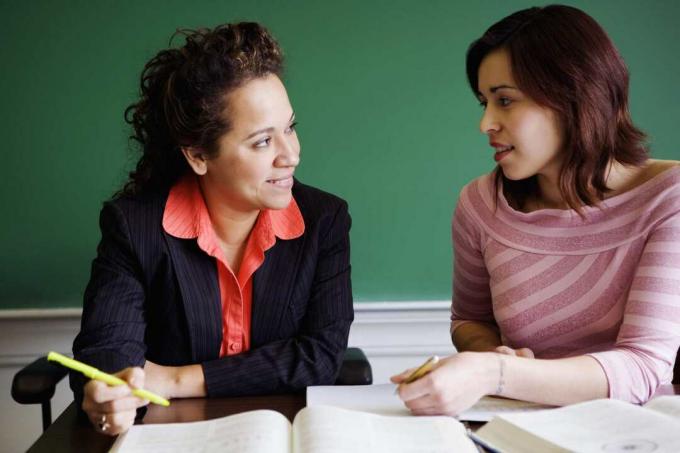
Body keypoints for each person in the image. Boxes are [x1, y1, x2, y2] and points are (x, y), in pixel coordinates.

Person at [392, 4, 680, 416]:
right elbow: (469, 320)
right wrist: (493, 352)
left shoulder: (669, 198)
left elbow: (643, 366)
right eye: (484, 103)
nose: (486, 124)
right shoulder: (478, 205)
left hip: (634, 433)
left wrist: (496, 372)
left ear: (574, 97)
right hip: (514, 427)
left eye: (505, 101)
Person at [70, 22, 353, 435]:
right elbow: (109, 351)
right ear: (199, 155)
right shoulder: (134, 227)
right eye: (262, 142)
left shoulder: (324, 220)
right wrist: (113, 392)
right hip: (171, 436)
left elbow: (319, 357)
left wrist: (173, 379)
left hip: (285, 434)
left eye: (290, 128)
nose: (290, 154)